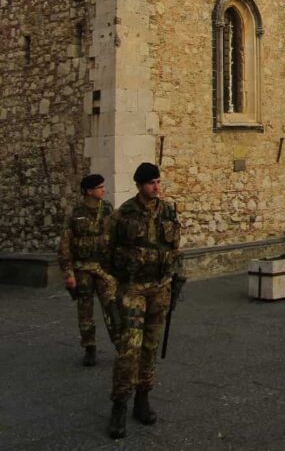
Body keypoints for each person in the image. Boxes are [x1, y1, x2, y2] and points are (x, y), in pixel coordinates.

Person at [107, 162, 183, 440]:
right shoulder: (123, 214)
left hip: (160, 288)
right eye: (151, 183)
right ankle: (119, 404)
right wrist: (120, 280)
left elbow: (175, 247)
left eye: (158, 182)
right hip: (134, 290)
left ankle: (143, 398)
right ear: (140, 185)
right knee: (129, 349)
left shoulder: (167, 211)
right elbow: (107, 250)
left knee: (150, 347)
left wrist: (175, 277)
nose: (156, 187)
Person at [57, 174, 120, 366]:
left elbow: (117, 236)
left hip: (104, 269)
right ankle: (89, 347)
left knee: (112, 307)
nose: (103, 190)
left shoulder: (108, 209)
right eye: (100, 187)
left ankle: (120, 345)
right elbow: (65, 244)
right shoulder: (76, 213)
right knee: (85, 310)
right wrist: (68, 274)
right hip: (82, 269)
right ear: (89, 191)